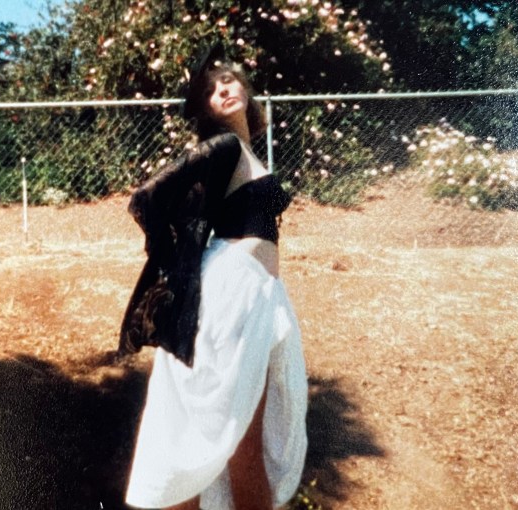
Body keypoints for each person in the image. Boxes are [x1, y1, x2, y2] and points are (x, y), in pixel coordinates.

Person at [119, 46, 308, 510]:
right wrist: (179, 257)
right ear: (206, 109)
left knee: (245, 441)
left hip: (260, 295)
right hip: (231, 293)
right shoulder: (223, 147)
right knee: (224, 441)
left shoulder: (245, 149)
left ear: (245, 88)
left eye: (229, 80)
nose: (223, 89)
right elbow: (146, 198)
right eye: (211, 90)